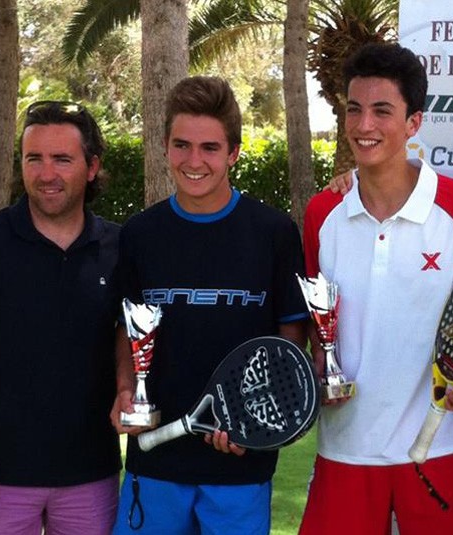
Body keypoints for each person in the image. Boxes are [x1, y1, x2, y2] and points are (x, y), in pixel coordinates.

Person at [298, 42, 453, 535]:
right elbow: (314, 328)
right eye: (354, 109)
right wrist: (317, 369)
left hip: (440, 448)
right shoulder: (323, 213)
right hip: (344, 448)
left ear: (413, 123)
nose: (364, 126)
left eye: (382, 111)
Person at [110, 76, 308, 534]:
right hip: (154, 458)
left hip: (240, 464)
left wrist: (258, 424)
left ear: (233, 153)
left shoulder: (273, 233)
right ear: (165, 147)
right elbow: (127, 330)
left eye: (210, 148)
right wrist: (125, 390)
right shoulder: (139, 234)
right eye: (182, 145)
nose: (194, 161)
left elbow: (290, 340)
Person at [0, 101, 121, 533]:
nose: (46, 173)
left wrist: (127, 385)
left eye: (62, 159)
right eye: (34, 158)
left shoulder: (118, 247)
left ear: (91, 167)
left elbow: (127, 337)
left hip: (90, 475)